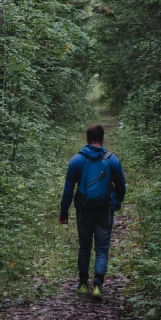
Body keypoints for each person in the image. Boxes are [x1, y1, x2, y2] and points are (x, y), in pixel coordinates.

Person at [58, 124, 126, 300]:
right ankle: (97, 284)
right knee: (102, 249)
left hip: (84, 209)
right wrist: (117, 201)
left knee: (84, 246)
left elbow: (68, 189)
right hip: (104, 209)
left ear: (87, 139)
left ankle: (82, 283)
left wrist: (64, 211)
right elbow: (121, 186)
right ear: (103, 139)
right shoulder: (112, 160)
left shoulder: (76, 160)